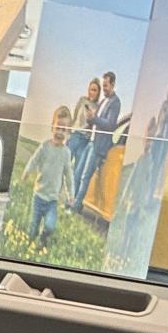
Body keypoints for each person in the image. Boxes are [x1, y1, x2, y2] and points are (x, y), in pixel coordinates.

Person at [28, 104, 72, 246]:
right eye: (58, 127)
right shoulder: (45, 146)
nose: (60, 132)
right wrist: (27, 171)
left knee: (50, 226)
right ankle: (31, 241)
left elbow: (69, 176)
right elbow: (34, 159)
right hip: (38, 196)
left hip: (52, 200)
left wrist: (71, 195)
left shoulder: (66, 153)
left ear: (68, 132)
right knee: (33, 228)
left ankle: (43, 238)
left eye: (64, 130)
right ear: (52, 126)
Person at [79, 69, 122, 210]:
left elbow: (110, 125)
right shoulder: (103, 101)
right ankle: (74, 202)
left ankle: (75, 206)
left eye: (106, 86)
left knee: (85, 177)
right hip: (91, 142)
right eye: (103, 85)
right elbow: (96, 121)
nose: (104, 89)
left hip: (98, 146)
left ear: (113, 85)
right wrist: (90, 118)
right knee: (79, 173)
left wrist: (95, 118)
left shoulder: (115, 102)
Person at [65, 78, 99, 207]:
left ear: (98, 92)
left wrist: (92, 117)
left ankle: (70, 200)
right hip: (74, 135)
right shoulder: (82, 100)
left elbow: (94, 124)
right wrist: (69, 133)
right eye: (91, 89)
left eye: (95, 90)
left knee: (77, 173)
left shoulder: (97, 107)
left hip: (85, 140)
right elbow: (74, 117)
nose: (92, 92)